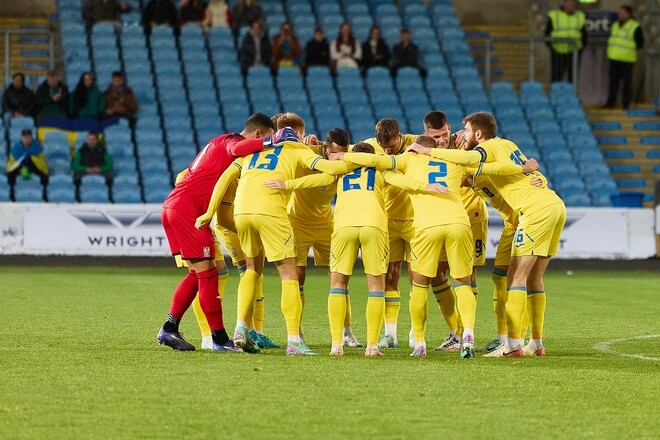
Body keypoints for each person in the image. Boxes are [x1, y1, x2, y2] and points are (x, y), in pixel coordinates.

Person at [407, 111, 564, 358]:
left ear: (478, 134)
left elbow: (476, 159)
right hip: (538, 211)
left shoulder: (483, 150)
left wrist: (429, 152)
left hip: (531, 213)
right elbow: (503, 168)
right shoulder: (503, 147)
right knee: (516, 278)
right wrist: (534, 174)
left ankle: (511, 344)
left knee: (515, 278)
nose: (461, 135)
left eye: (466, 131)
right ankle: (533, 342)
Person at [195, 113, 354, 356]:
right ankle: (294, 341)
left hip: (242, 212)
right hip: (271, 212)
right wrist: (351, 160)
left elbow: (225, 177)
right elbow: (330, 167)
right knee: (288, 272)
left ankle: (240, 328)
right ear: (298, 134)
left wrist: (209, 213)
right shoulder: (297, 150)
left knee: (251, 269)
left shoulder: (252, 151)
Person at [156, 113, 280, 352]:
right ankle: (219, 339)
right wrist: (271, 142)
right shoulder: (230, 142)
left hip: (173, 205)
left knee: (196, 273)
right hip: (188, 211)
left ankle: (169, 329)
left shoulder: (218, 141)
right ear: (257, 134)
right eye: (265, 137)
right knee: (209, 274)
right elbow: (238, 148)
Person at [266, 126, 363, 348]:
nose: (338, 158)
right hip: (297, 223)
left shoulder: (345, 162)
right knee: (297, 277)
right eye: (334, 153)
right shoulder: (306, 152)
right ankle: (296, 330)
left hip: (326, 224)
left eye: (342, 153)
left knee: (339, 275)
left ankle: (347, 332)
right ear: (325, 149)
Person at [604, 5, 644, 109]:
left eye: (622, 12)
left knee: (626, 84)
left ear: (628, 13)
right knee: (613, 83)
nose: (619, 14)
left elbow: (640, 43)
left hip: (627, 60)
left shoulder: (634, 26)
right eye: (619, 12)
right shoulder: (615, 25)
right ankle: (611, 103)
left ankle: (625, 104)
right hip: (614, 58)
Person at [545, 0, 587, 83]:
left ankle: (570, 95)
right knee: (556, 77)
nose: (571, 6)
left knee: (573, 77)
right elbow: (547, 34)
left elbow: (584, 35)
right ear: (564, 4)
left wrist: (580, 50)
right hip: (557, 52)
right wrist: (552, 48)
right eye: (569, 4)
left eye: (572, 4)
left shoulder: (580, 16)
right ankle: (556, 95)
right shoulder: (555, 15)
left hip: (573, 52)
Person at [5, 128, 49, 200]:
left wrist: (30, 170)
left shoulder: (37, 148)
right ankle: (12, 196)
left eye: (29, 137)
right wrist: (20, 170)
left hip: (34, 167)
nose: (27, 139)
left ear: (31, 138)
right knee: (10, 175)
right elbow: (12, 163)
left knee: (44, 176)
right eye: (25, 137)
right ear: (21, 137)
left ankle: (44, 196)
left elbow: (41, 163)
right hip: (19, 167)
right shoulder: (16, 148)